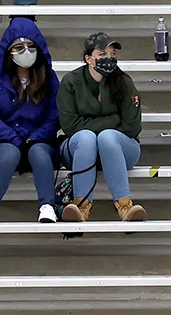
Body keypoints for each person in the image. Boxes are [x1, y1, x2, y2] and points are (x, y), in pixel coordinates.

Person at [0, 17, 61, 224]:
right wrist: (12, 138)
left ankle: (47, 206)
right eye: (19, 47)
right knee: (9, 153)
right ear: (8, 50)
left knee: (40, 153)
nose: (26, 51)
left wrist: (35, 138)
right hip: (2, 142)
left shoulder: (49, 78)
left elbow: (55, 116)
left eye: (31, 46)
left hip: (39, 141)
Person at [58, 33, 146, 223]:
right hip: (79, 150)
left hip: (121, 150)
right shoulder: (70, 82)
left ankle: (125, 207)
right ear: (88, 59)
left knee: (106, 137)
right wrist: (113, 119)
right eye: (102, 54)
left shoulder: (124, 81)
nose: (109, 58)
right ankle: (81, 208)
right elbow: (69, 126)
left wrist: (98, 127)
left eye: (112, 54)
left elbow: (132, 127)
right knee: (87, 138)